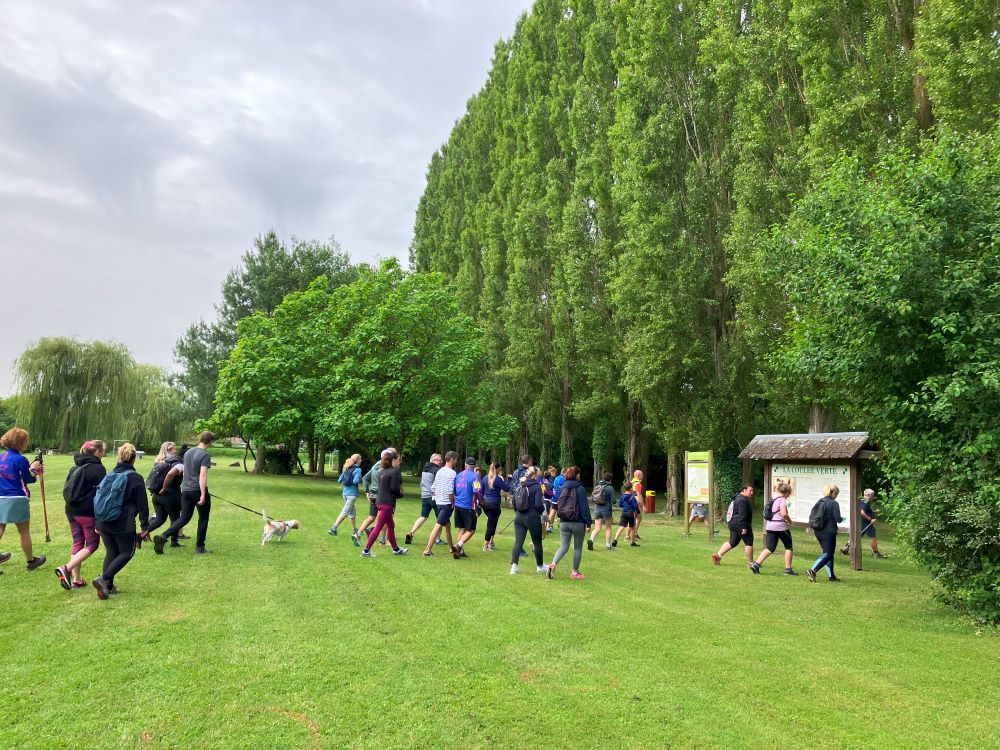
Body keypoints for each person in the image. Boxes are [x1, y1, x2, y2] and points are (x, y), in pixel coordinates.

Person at [92, 443, 150, 599]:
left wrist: (98, 522)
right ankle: (103, 579)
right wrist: (145, 526)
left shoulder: (109, 475)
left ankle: (108, 587)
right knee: (127, 552)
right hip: (122, 522)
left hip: (104, 520)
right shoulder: (135, 478)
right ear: (134, 458)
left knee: (112, 552)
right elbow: (142, 504)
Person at [54, 440, 108, 590]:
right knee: (92, 544)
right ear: (97, 452)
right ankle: (67, 568)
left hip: (71, 510)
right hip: (86, 512)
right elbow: (101, 494)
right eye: (103, 450)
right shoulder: (98, 469)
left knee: (78, 542)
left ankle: (77, 579)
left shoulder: (76, 466)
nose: (104, 453)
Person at [154, 430, 215, 555]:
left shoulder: (188, 452)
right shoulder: (205, 455)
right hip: (197, 490)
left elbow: (186, 471)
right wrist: (203, 494)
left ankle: (163, 536)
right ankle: (200, 547)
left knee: (184, 517)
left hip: (186, 490)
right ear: (210, 441)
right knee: (203, 518)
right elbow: (202, 476)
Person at [0, 427, 46, 573]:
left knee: (0, 527)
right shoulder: (20, 459)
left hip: (0, 496)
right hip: (17, 497)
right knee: (24, 531)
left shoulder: (1, 456)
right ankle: (31, 560)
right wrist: (33, 470)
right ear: (21, 442)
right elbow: (28, 479)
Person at [546, 466, 592, 580]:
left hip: (564, 521)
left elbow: (556, 503)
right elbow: (584, 507)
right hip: (578, 521)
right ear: (577, 475)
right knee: (577, 548)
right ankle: (575, 572)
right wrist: (588, 523)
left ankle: (553, 564)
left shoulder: (561, 487)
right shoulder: (580, 488)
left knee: (564, 546)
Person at [361, 449, 407, 557]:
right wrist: (400, 494)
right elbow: (395, 489)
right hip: (387, 503)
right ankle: (366, 550)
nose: (399, 462)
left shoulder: (383, 471)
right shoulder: (394, 471)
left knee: (391, 525)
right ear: (393, 460)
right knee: (378, 527)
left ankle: (395, 549)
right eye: (398, 460)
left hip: (380, 501)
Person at [749, 481, 797, 576]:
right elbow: (783, 513)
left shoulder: (773, 499)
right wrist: (789, 521)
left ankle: (756, 564)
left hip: (770, 526)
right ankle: (788, 569)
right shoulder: (782, 499)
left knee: (770, 548)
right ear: (786, 492)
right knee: (788, 546)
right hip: (780, 527)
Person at [144, 442, 183, 550]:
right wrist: (165, 488)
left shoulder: (159, 462)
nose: (176, 451)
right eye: (174, 449)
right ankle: (174, 542)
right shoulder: (175, 463)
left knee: (159, 519)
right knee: (175, 519)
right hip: (169, 494)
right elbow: (171, 475)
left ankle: (140, 535)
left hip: (156, 495)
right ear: (170, 449)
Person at [509, 466, 546, 574]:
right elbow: (539, 505)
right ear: (534, 475)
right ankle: (540, 566)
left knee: (518, 542)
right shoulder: (536, 487)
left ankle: (514, 567)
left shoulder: (520, 485)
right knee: (537, 542)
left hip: (519, 517)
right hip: (532, 517)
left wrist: (518, 512)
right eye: (538, 475)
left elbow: (514, 502)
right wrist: (541, 513)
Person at [423, 451, 460, 557]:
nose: (456, 462)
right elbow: (450, 490)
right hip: (446, 504)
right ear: (452, 460)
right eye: (456, 459)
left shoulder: (439, 471)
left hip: (438, 502)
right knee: (438, 525)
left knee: (447, 525)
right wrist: (453, 502)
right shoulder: (452, 473)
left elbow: (433, 487)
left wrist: (437, 497)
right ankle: (427, 550)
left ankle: (452, 547)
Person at [807, 485, 845, 583]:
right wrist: (842, 519)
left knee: (828, 553)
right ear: (834, 493)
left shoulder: (820, 501)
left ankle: (831, 576)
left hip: (818, 530)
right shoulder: (834, 503)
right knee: (828, 553)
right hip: (829, 532)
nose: (837, 496)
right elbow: (838, 518)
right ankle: (812, 570)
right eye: (837, 494)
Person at [711, 484, 755, 567]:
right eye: (750, 491)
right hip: (741, 524)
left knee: (733, 542)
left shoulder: (737, 498)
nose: (752, 493)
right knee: (749, 542)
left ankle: (718, 555)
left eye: (752, 491)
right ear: (744, 490)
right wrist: (744, 527)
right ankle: (750, 563)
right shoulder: (743, 500)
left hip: (733, 523)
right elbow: (742, 515)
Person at [405, 453, 443, 546]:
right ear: (433, 460)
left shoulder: (424, 469)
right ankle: (437, 539)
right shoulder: (437, 470)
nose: (441, 461)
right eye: (439, 460)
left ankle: (411, 532)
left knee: (423, 516)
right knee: (440, 518)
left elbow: (421, 483)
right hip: (433, 497)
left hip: (424, 495)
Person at [355, 450, 391, 546]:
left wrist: (367, 491)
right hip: (382, 496)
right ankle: (383, 540)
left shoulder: (375, 466)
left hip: (373, 495)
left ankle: (358, 533)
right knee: (386, 517)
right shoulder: (385, 468)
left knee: (371, 517)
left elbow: (365, 478)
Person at [329, 453, 363, 541]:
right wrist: (359, 478)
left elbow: (339, 480)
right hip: (352, 495)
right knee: (345, 512)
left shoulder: (348, 468)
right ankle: (334, 528)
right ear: (357, 460)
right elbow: (356, 481)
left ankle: (355, 530)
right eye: (360, 459)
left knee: (352, 513)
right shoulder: (358, 469)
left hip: (345, 494)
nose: (361, 460)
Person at [453, 457, 481, 557]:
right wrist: (480, 502)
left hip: (458, 505)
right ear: (474, 466)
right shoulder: (475, 476)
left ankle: (459, 552)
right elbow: (476, 491)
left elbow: (454, 489)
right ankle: (458, 545)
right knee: (471, 530)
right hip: (468, 506)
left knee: (462, 528)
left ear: (465, 464)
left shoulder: (459, 475)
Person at [481, 462, 508, 551]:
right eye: (499, 469)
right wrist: (511, 480)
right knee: (491, 524)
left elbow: (481, 492)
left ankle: (491, 542)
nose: (500, 470)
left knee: (493, 522)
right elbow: (506, 488)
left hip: (485, 504)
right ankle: (485, 546)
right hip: (494, 504)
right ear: (497, 469)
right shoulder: (498, 479)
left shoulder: (485, 478)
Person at [588, 472, 616, 551]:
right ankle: (608, 545)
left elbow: (594, 498)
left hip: (597, 509)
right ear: (610, 480)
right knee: (608, 527)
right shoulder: (610, 488)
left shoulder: (597, 486)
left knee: (597, 528)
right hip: (606, 509)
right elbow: (613, 501)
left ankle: (591, 539)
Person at [859, 488, 886, 558]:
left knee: (857, 536)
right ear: (867, 495)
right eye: (872, 495)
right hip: (867, 523)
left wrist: (873, 512)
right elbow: (862, 512)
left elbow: (865, 510)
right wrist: (870, 519)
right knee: (873, 537)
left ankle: (846, 548)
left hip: (862, 522)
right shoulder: (865, 501)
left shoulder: (863, 500)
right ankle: (876, 553)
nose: (873, 497)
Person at [613, 482, 640, 548]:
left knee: (621, 526)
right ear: (631, 488)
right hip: (630, 513)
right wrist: (638, 512)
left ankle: (615, 540)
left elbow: (620, 505)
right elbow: (636, 506)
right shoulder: (632, 497)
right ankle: (632, 542)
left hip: (624, 512)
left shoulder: (622, 496)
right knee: (633, 527)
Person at [631, 469, 645, 540]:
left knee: (638, 517)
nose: (643, 476)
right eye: (642, 474)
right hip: (635, 503)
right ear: (639, 475)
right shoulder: (638, 484)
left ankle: (635, 533)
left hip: (631, 502)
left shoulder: (632, 482)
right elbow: (639, 495)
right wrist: (643, 506)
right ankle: (628, 536)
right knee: (632, 519)